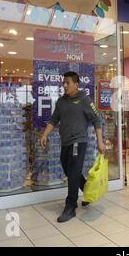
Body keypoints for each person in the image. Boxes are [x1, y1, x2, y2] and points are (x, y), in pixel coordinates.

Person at [40, 71, 105, 223]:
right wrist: (44, 135)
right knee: (70, 170)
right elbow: (53, 119)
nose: (64, 85)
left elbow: (97, 120)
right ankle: (88, 191)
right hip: (65, 142)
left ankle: (70, 207)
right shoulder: (61, 101)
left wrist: (100, 141)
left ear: (76, 85)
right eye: (64, 82)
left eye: (67, 83)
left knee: (73, 172)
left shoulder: (84, 99)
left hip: (78, 142)